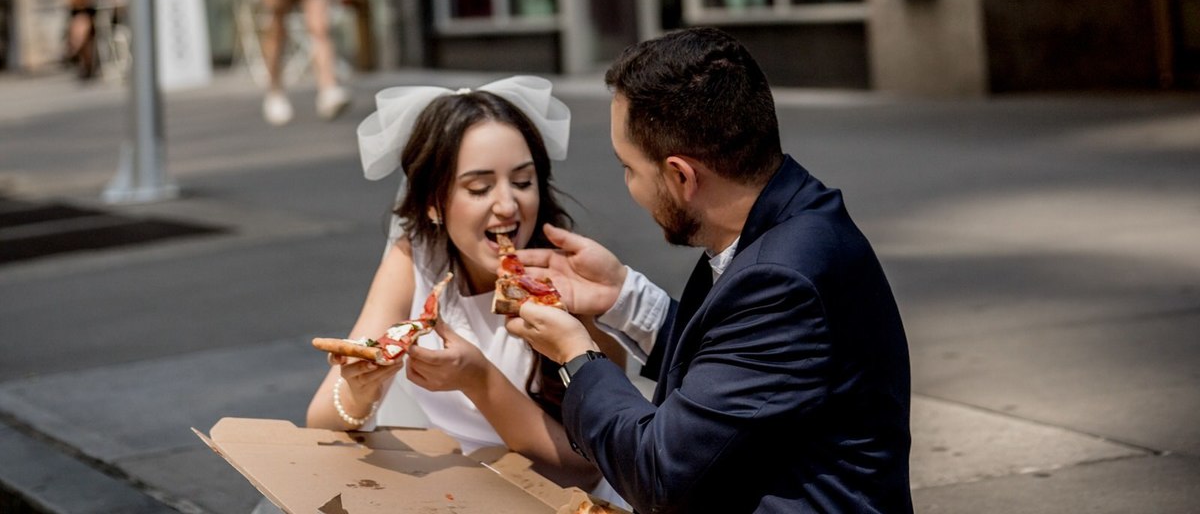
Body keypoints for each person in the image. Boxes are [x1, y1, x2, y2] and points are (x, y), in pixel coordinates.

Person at [508, 28, 913, 514]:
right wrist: (622, 295)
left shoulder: (783, 278)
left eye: (629, 168)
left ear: (681, 175)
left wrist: (576, 355)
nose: (629, 185)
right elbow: (734, 373)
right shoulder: (794, 217)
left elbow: (659, 473)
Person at [307, 76, 619, 489]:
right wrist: (360, 393)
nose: (507, 205)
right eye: (479, 187)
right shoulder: (415, 258)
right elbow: (320, 422)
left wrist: (480, 381)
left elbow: (591, 467)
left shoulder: (571, 282)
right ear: (433, 204)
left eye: (523, 182)